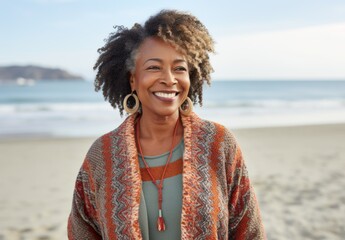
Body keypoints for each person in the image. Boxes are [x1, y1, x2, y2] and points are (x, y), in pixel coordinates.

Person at [68, 9, 265, 240]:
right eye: (154, 67)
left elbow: (249, 231)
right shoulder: (101, 156)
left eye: (179, 68)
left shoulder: (219, 144)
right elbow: (81, 231)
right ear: (133, 79)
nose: (169, 79)